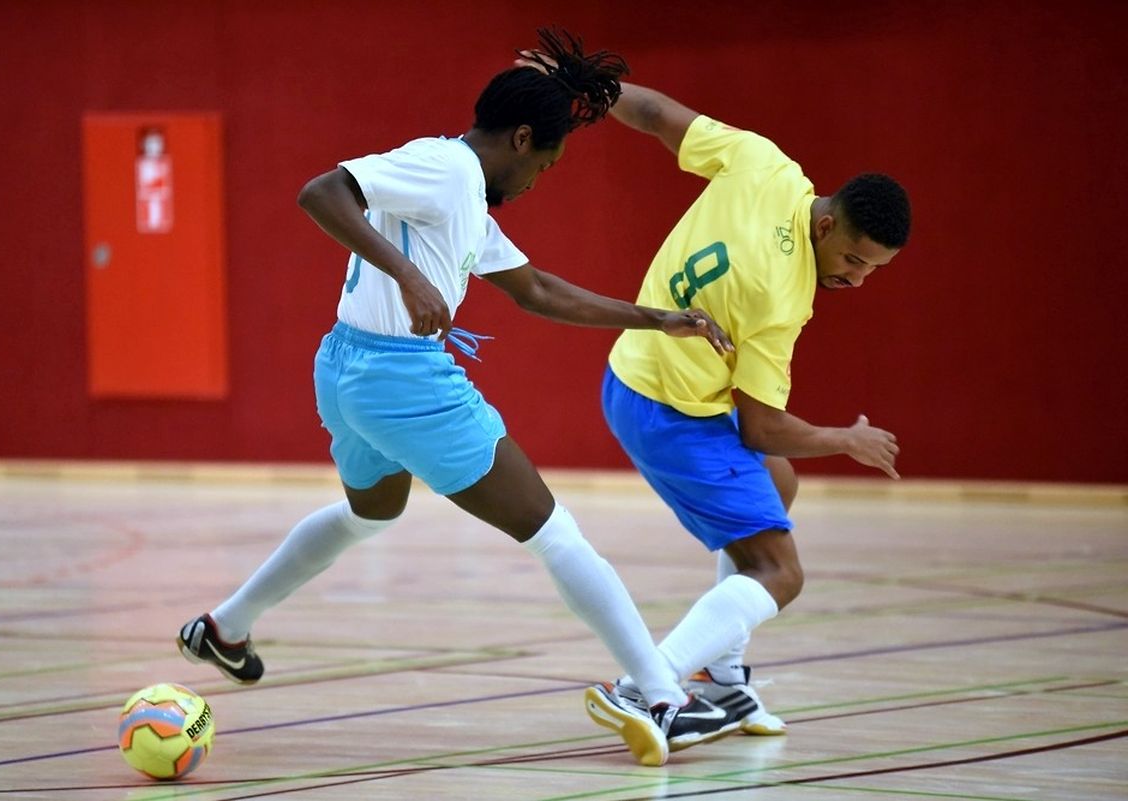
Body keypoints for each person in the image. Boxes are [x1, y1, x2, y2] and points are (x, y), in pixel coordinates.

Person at [177, 30, 747, 768]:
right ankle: (663, 696)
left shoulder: (467, 198)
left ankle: (224, 627)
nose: (541, 177)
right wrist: (409, 278)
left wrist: (658, 317)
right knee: (555, 532)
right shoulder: (445, 167)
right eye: (545, 161)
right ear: (519, 138)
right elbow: (322, 192)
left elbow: (539, 290)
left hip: (347, 372)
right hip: (401, 378)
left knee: (369, 512)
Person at [583, 78, 911, 737]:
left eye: (874, 268)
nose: (857, 278)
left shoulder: (766, 164)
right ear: (824, 224)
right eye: (852, 258)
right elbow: (764, 425)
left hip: (639, 371)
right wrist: (846, 439)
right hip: (666, 411)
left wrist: (588, 83)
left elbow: (653, 113)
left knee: (776, 479)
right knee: (781, 573)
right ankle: (647, 687)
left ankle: (722, 679)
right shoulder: (782, 297)